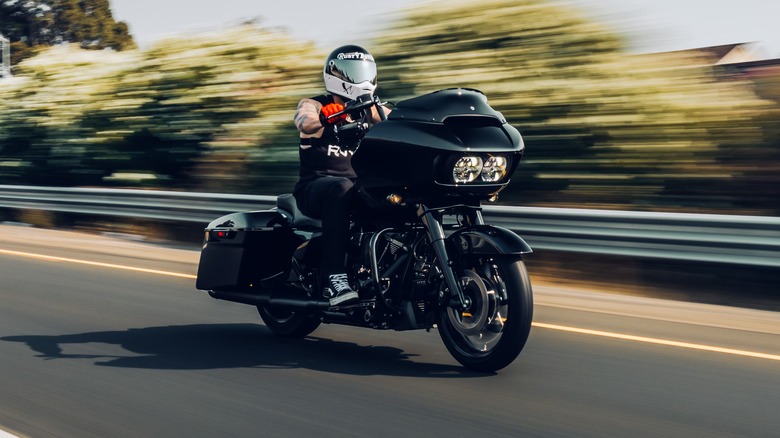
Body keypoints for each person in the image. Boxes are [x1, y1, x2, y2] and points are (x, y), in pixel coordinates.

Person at [292, 45, 389, 306]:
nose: (361, 77)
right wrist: (327, 118)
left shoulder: (373, 110)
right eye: (353, 71)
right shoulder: (316, 104)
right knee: (342, 187)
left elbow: (403, 120)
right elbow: (304, 120)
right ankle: (335, 277)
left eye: (365, 71)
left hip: (358, 189)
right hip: (315, 187)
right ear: (337, 75)